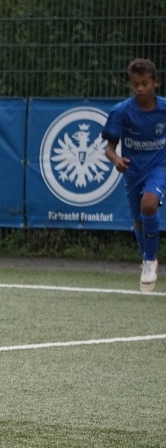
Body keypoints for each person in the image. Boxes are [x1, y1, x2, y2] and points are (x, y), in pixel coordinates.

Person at [102, 57, 166, 293]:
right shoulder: (121, 112)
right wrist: (116, 159)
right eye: (136, 84)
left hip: (159, 167)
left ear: (155, 82)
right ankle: (147, 256)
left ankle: (150, 261)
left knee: (148, 205)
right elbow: (109, 148)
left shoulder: (164, 109)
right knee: (139, 220)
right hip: (132, 171)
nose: (140, 89)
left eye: (145, 83)